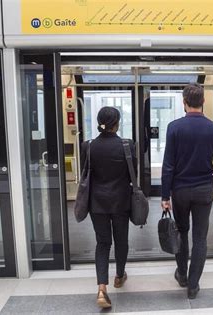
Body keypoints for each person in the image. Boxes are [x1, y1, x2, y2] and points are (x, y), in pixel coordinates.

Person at [161, 83, 213, 299]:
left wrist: (164, 195)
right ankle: (193, 285)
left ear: (184, 102)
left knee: (181, 231)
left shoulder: (174, 127)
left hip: (180, 190)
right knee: (200, 238)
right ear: (203, 102)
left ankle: (181, 275)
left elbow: (168, 165)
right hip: (203, 190)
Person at [80, 106, 136, 309]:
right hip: (121, 202)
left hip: (97, 204)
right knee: (121, 241)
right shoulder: (127, 145)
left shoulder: (89, 146)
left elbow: (86, 174)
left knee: (103, 243)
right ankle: (119, 276)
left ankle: (102, 288)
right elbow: (133, 175)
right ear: (117, 123)